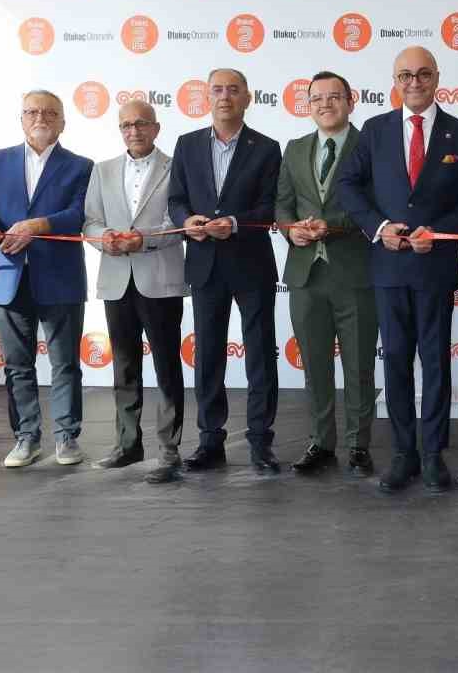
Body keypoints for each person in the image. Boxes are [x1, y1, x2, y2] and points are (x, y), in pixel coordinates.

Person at [338, 46, 458, 494]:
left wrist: (439, 232)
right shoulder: (375, 130)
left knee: (436, 363)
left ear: (437, 78)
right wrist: (379, 227)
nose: (414, 82)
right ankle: (403, 453)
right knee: (397, 363)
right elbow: (348, 184)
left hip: (435, 268)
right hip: (388, 269)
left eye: (423, 74)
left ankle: (433, 454)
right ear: (395, 81)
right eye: (405, 75)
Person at [167, 68, 283, 474]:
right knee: (208, 355)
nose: (225, 96)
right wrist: (187, 221)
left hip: (251, 263)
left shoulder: (267, 148)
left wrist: (233, 223)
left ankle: (260, 442)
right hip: (204, 264)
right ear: (206, 97)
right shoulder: (187, 144)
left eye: (234, 90)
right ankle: (209, 441)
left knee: (261, 356)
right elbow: (176, 199)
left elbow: (270, 207)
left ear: (247, 98)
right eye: (217, 89)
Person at [0, 91, 93, 469]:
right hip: (7, 275)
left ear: (63, 123)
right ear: (21, 119)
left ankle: (67, 437)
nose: (40, 118)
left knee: (65, 363)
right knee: (17, 365)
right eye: (32, 112)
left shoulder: (81, 166)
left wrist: (39, 225)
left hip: (60, 277)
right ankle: (26, 437)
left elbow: (80, 213)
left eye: (50, 113)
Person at [275, 71, 379, 477]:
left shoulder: (370, 146)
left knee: (359, 366)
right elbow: (282, 204)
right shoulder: (295, 148)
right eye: (316, 98)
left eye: (334, 96)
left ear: (351, 102)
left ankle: (358, 445)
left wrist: (330, 225)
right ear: (308, 105)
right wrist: (291, 229)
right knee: (315, 367)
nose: (325, 104)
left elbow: (374, 205)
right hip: (306, 276)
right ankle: (321, 441)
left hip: (355, 274)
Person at [83, 99, 188, 484]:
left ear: (156, 128)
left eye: (142, 123)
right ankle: (128, 444)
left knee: (166, 366)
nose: (134, 131)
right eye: (126, 125)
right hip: (116, 279)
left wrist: (142, 239)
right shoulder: (102, 169)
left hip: (159, 278)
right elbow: (90, 221)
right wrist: (104, 238)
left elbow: (178, 221)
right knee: (124, 366)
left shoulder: (176, 167)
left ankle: (169, 449)